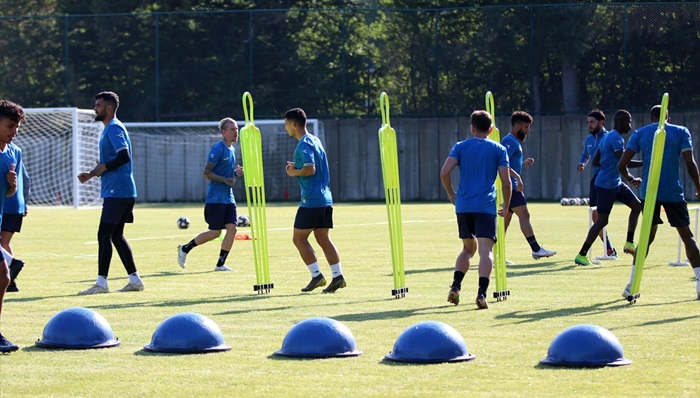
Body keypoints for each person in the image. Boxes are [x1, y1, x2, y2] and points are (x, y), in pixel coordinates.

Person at [618, 105, 700, 300]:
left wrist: (630, 179)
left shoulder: (641, 133)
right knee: (687, 237)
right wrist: (699, 186)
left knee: (646, 238)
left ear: (651, 118)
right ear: (668, 118)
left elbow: (622, 165)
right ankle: (699, 284)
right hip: (673, 192)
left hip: (650, 192)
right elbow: (690, 162)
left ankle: (632, 284)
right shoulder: (681, 132)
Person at [441, 110, 511, 310]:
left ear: (472, 128)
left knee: (467, 249)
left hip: (463, 206)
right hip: (486, 206)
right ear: (490, 129)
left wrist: (451, 194)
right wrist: (506, 204)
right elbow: (506, 183)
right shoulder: (499, 149)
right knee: (486, 251)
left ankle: (455, 287)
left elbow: (444, 172)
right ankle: (481, 293)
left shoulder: (460, 147)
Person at [77, 91, 144, 295]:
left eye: (98, 105)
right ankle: (135, 280)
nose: (95, 108)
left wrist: (103, 168)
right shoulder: (110, 129)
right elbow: (111, 163)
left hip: (118, 192)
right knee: (116, 235)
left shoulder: (114, 128)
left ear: (108, 108)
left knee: (104, 234)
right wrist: (92, 173)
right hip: (120, 191)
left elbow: (124, 156)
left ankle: (101, 283)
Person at [284, 108, 345, 293]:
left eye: (286, 124)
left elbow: (310, 169)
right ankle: (338, 276)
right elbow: (312, 166)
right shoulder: (316, 141)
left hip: (311, 200)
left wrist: (294, 172)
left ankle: (317, 276)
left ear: (294, 124)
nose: (285, 128)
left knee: (298, 239)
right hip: (325, 198)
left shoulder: (303, 144)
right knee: (322, 238)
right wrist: (298, 166)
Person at [574, 110, 641, 266]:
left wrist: (609, 169)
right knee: (601, 220)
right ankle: (582, 254)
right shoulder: (615, 137)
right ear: (622, 122)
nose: (630, 126)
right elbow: (623, 162)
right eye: (629, 122)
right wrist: (647, 162)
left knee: (637, 206)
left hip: (615, 183)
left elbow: (596, 161)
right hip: (605, 186)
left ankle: (629, 243)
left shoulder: (607, 137)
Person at [177, 118, 243, 271]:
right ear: (224, 132)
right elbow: (206, 173)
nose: (236, 132)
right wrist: (225, 179)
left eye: (237, 129)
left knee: (232, 229)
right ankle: (185, 248)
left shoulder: (232, 149)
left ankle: (220, 264)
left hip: (228, 198)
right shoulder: (217, 149)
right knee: (215, 232)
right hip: (215, 198)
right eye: (232, 129)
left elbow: (226, 174)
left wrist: (235, 173)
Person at [500, 111, 556, 260]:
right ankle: (536, 249)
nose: (528, 130)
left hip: (511, 186)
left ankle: (495, 254)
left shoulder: (513, 141)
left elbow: (509, 164)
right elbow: (500, 163)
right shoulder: (509, 142)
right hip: (511, 187)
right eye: (526, 127)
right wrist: (518, 177)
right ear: (518, 126)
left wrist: (522, 164)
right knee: (524, 215)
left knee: (504, 223)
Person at [578, 109, 617, 256]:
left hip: (610, 179)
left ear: (601, 122)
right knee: (594, 214)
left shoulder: (609, 138)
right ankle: (608, 247)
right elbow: (585, 155)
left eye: (592, 122)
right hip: (596, 180)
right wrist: (582, 163)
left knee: (602, 215)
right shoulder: (588, 139)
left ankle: (631, 241)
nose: (589, 125)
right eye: (588, 122)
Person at [0, 99, 21, 352]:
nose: (14, 131)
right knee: (3, 276)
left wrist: (12, 186)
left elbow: (5, 195)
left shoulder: (12, 155)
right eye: (9, 125)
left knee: (3, 278)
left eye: (16, 127)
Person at [1, 143, 29, 292]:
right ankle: (10, 280)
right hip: (16, 204)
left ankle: (11, 265)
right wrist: (25, 203)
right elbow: (26, 178)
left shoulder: (8, 151)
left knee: (3, 243)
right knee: (4, 242)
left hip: (6, 204)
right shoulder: (16, 150)